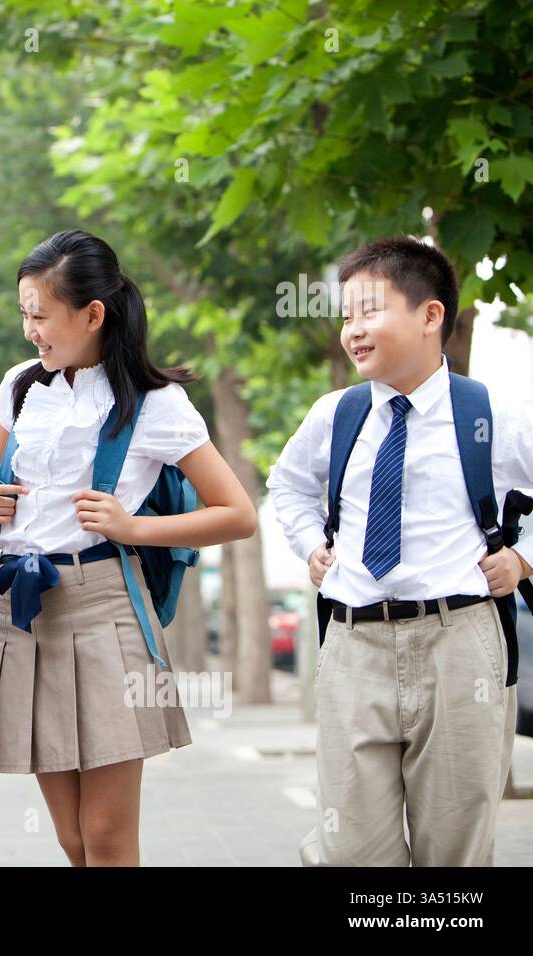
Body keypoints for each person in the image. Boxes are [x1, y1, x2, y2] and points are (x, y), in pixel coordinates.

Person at [0, 229, 256, 866]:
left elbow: (237, 514)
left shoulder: (156, 405)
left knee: (105, 835)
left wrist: (133, 528)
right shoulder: (21, 386)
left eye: (39, 316)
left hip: (105, 610)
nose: (29, 331)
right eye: (24, 314)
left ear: (93, 314)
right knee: (72, 838)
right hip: (25, 610)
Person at [268, 235, 529, 866]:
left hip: (459, 641)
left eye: (369, 311)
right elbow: (288, 485)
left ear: (430, 315)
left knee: (455, 851)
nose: (352, 331)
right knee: (350, 850)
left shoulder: (490, 414)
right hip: (354, 643)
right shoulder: (335, 414)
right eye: (345, 317)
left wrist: (523, 558)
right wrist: (310, 545)